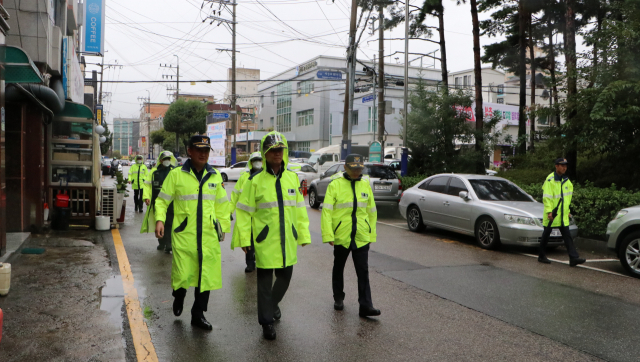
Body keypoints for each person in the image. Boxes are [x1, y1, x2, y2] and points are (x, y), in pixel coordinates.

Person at [234, 132, 311, 340]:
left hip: (287, 238)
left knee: (286, 276)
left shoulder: (292, 177)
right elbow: (243, 211)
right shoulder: (255, 181)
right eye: (273, 150)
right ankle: (266, 322)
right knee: (265, 283)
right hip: (265, 239)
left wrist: (302, 234)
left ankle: (272, 304)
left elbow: (299, 209)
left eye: (280, 150)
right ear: (265, 153)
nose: (277, 154)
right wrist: (243, 238)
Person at [154, 135, 231, 330]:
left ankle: (198, 314)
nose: (203, 154)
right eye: (199, 150)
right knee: (182, 274)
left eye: (206, 150)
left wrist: (222, 228)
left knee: (205, 277)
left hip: (208, 236)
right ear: (190, 151)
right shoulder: (177, 174)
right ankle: (178, 297)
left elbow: (222, 205)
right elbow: (162, 200)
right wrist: (160, 220)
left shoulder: (214, 176)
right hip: (184, 235)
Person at [321, 154, 381, 318]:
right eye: (354, 169)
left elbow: (372, 212)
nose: (357, 172)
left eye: (359, 169)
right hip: (342, 234)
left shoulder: (365, 185)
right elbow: (327, 211)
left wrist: (371, 235)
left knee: (363, 271)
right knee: (338, 268)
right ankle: (338, 297)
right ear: (345, 168)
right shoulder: (335, 185)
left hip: (361, 235)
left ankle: (366, 305)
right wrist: (328, 234)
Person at [538, 158, 586, 266]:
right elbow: (547, 198)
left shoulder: (566, 181)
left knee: (567, 236)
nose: (564, 167)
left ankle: (573, 258)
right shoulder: (550, 180)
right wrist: (549, 212)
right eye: (562, 165)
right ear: (556, 166)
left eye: (565, 165)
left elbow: (567, 199)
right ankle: (541, 256)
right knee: (546, 235)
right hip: (553, 214)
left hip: (562, 215)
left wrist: (568, 211)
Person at [230, 152, 263, 273]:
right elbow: (235, 195)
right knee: (248, 240)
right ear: (251, 162)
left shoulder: (266, 176)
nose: (257, 162)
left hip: (261, 215)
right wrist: (230, 211)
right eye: (255, 160)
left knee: (262, 239)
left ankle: (261, 261)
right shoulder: (244, 178)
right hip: (247, 215)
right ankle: (250, 263)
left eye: (259, 160)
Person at [141, 151, 178, 253]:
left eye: (168, 159)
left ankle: (169, 244)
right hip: (158, 202)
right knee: (160, 221)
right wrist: (146, 197)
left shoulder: (174, 172)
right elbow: (147, 185)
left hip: (171, 203)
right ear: (160, 160)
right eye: (165, 159)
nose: (167, 161)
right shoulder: (154, 172)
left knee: (170, 223)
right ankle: (161, 242)